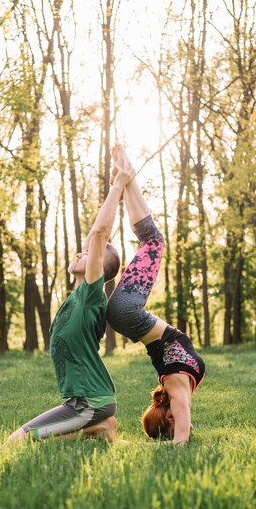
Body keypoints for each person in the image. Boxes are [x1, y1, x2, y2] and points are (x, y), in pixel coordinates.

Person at [7, 159, 134, 444]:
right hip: (81, 400)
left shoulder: (91, 296)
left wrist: (118, 186)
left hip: (90, 401)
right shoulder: (78, 298)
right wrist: (114, 190)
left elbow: (100, 234)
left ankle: (99, 429)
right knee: (18, 440)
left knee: (16, 443)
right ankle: (99, 428)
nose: (80, 252)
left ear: (99, 267)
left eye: (88, 253)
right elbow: (95, 234)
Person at [107, 145, 205, 445]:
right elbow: (183, 414)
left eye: (171, 420)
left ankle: (126, 181)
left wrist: (178, 443)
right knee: (152, 240)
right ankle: (127, 181)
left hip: (128, 312)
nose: (179, 415)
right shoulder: (179, 385)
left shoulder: (177, 390)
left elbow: (184, 418)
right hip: (125, 315)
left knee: (155, 242)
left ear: (169, 418)